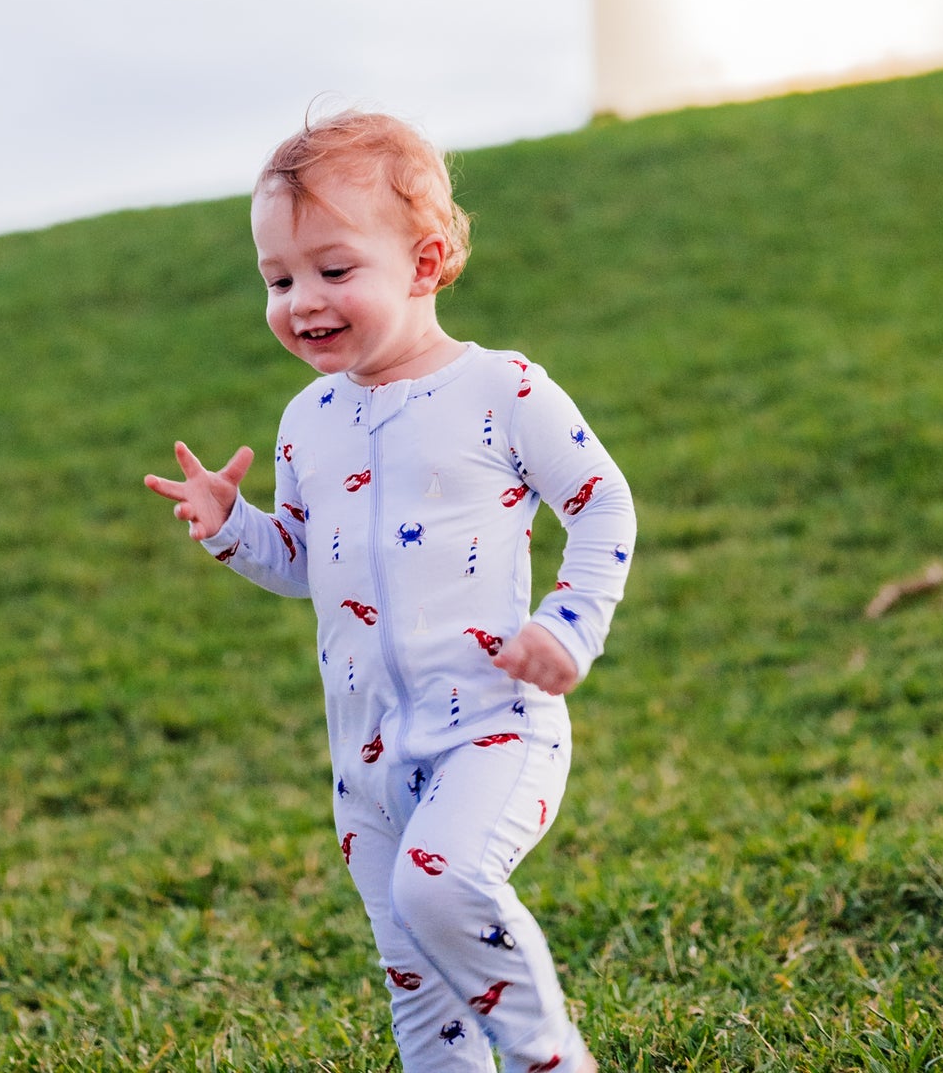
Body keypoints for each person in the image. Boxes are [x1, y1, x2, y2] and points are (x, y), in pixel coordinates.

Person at [144, 110, 636, 1073]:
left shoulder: (505, 390)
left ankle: (551, 1057)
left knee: (441, 887)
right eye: (278, 279)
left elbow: (604, 506)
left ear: (425, 261)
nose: (301, 301)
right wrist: (232, 528)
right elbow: (302, 560)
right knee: (416, 980)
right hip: (364, 759)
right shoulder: (307, 419)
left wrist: (570, 627)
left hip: (492, 722)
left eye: (334, 270)